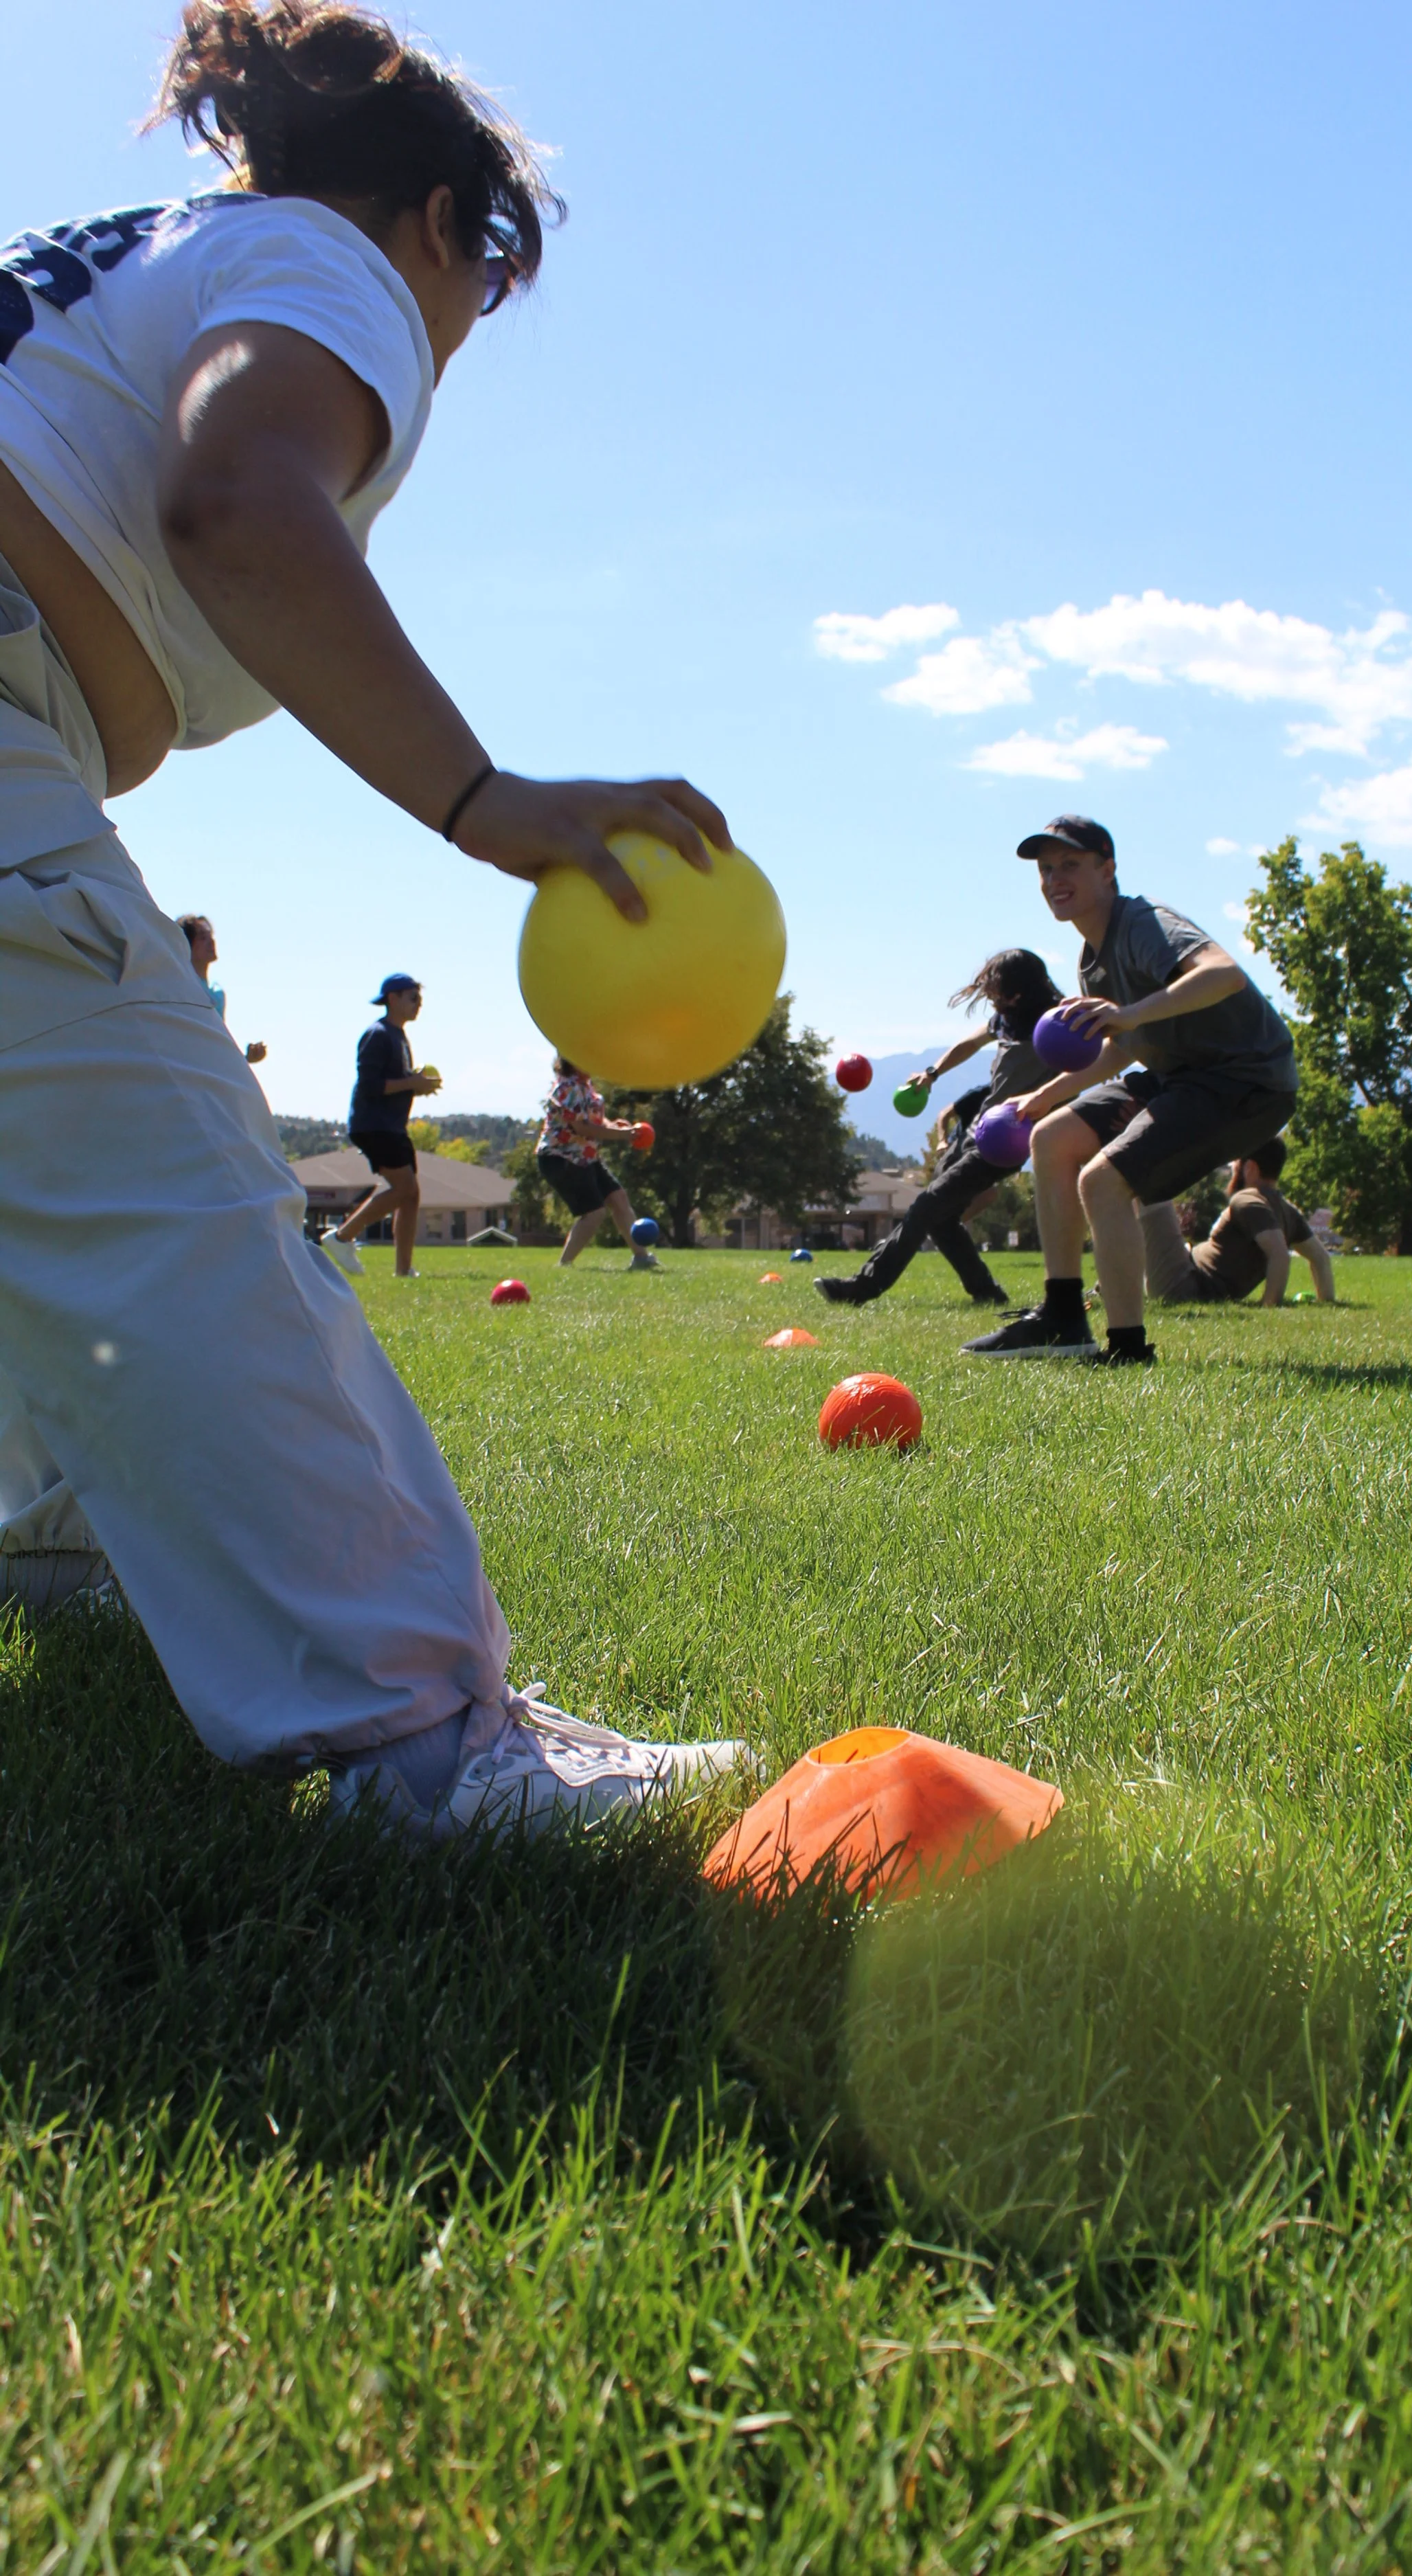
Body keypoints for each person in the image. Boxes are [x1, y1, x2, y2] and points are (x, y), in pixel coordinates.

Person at [0, 0, 743, 1829]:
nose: (471, 318)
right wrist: (486, 801)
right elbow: (239, 500)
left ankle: (41, 1524)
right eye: (490, 271)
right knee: (181, 1188)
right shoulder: (323, 263)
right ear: (441, 225)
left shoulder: (150, 260)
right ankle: (423, 1734)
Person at [963, 815, 1299, 1366]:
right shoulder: (1091, 963)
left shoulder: (1144, 923)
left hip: (1246, 1078)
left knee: (1103, 1181)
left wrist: (1129, 1012)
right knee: (1051, 1138)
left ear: (1108, 869)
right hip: (1179, 1074)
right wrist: (1044, 1096)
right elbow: (1123, 1046)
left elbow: (1224, 974)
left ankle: (1127, 1348)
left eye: (1070, 865)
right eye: (1046, 870)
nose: (1054, 879)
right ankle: (1064, 1317)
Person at [815, 949, 1062, 1307]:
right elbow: (970, 1044)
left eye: (995, 988)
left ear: (1018, 992)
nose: (989, 995)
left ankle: (863, 1287)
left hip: (1006, 1139)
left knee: (927, 1206)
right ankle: (987, 1293)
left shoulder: (1055, 1022)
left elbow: (1087, 1054)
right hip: (978, 1128)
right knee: (941, 1220)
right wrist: (933, 1073)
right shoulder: (1006, 1019)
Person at [320, 971, 440, 1280]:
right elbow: (371, 1086)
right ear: (392, 999)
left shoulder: (398, 1036)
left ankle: (403, 1270)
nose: (418, 1005)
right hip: (374, 1125)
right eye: (413, 998)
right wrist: (411, 1083)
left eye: (420, 999)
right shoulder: (378, 1034)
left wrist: (416, 1085)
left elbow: (395, 1083)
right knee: (404, 1188)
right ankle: (342, 1237)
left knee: (411, 1194)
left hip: (391, 1126)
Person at [1138, 1137, 1334, 1308]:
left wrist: (1270, 1305)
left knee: (1145, 1175)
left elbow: (1280, 1254)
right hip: (1185, 1270)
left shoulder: (1247, 1199)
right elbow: (1321, 1259)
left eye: (1236, 1163)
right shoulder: (1288, 1211)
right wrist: (1327, 1301)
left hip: (1182, 1284)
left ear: (1250, 1168)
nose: (1233, 1168)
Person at [536, 1057, 657, 1270]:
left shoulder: (585, 1085)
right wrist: (623, 1135)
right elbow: (583, 1129)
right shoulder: (567, 1087)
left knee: (619, 1198)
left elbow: (595, 1120)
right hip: (560, 1158)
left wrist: (614, 1126)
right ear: (573, 1059)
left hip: (585, 1157)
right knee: (594, 1213)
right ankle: (564, 1266)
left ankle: (641, 1258)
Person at [175, 912, 266, 1062]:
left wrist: (246, 1059)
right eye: (203, 938)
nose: (211, 942)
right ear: (186, 945)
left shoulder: (216, 993)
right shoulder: (182, 987)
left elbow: (217, 1046)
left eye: (211, 935)